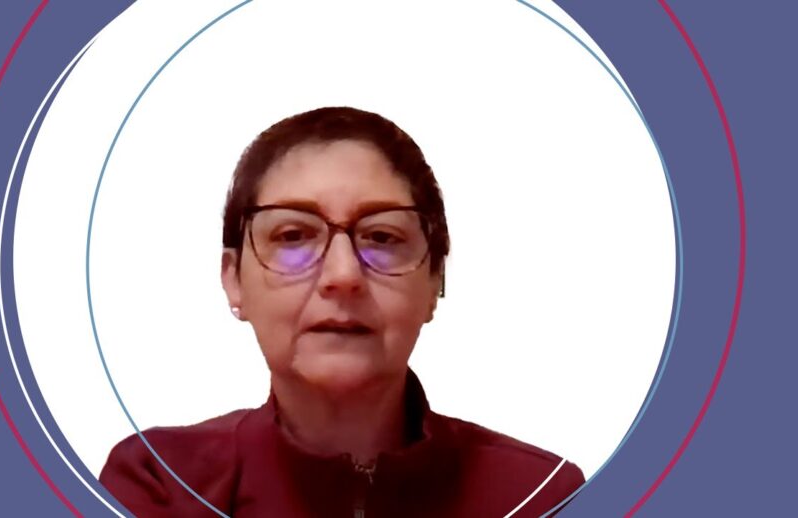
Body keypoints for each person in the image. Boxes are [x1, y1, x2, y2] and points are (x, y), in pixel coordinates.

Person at [99, 107, 585, 517]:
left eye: (382, 238)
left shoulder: (540, 495)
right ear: (234, 279)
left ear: (435, 281)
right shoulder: (162, 484)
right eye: (293, 236)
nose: (343, 274)